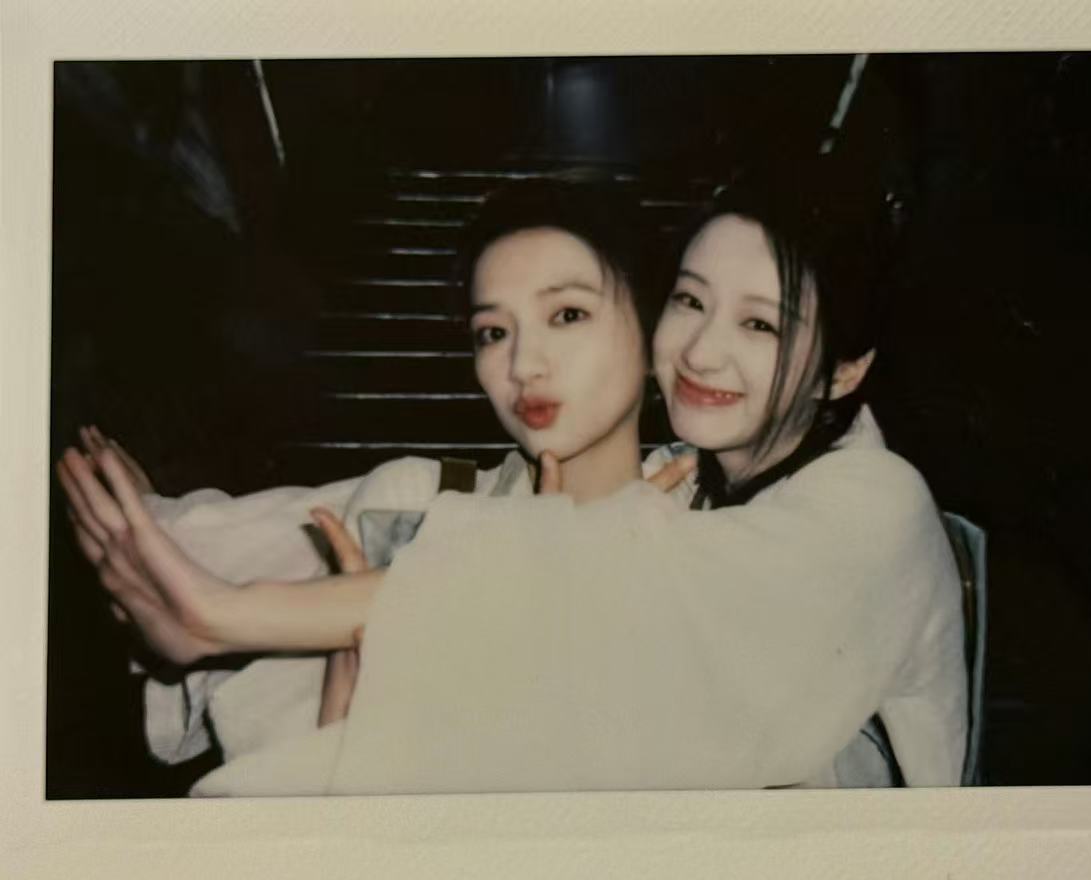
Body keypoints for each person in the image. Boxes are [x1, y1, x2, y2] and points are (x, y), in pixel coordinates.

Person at [61, 172, 966, 794]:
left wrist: (224, 614)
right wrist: (164, 529)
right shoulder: (652, 490)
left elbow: (619, 588)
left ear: (846, 370)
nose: (702, 350)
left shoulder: (870, 503)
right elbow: (296, 526)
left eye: (762, 325)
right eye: (692, 302)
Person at [58, 176, 691, 767]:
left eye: (568, 315)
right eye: (493, 332)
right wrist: (342, 707)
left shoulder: (716, 517)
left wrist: (214, 614)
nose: (523, 364)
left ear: (657, 336)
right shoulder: (413, 505)